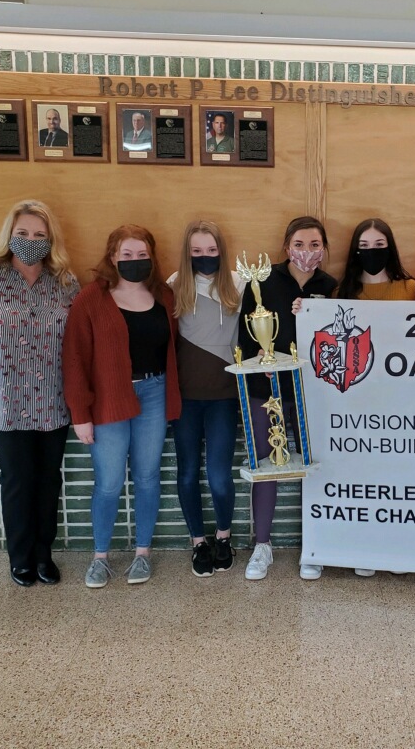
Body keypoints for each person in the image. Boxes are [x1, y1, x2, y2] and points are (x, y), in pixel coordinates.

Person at [0, 200, 79, 587]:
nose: (30, 240)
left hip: (54, 400)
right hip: (4, 402)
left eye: (39, 234)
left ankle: (44, 554)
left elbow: (80, 344)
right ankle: (20, 557)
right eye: (22, 233)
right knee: (18, 477)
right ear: (9, 235)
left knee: (48, 478)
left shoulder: (66, 283)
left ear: (50, 239)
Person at [63, 225, 182, 588]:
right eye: (126, 255)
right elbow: (74, 360)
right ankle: (100, 557)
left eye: (141, 254)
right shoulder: (91, 299)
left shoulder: (165, 295)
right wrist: (80, 416)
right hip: (108, 399)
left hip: (155, 393)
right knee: (110, 482)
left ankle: (142, 553)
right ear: (113, 257)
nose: (134, 260)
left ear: (151, 256)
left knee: (147, 477)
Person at [239, 216, 337, 581]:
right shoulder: (261, 280)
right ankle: (261, 546)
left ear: (324, 249)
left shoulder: (329, 284)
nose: (306, 252)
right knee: (266, 464)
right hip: (265, 388)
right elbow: (246, 332)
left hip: (311, 390)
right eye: (299, 244)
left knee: (313, 464)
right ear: (286, 247)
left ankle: (317, 544)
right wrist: (256, 367)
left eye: (314, 245)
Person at [336, 217, 415, 578]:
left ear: (391, 246)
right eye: (364, 246)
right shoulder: (343, 293)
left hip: (402, 400)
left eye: (379, 245)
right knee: (365, 477)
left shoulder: (411, 288)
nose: (371, 252)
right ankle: (366, 547)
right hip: (360, 402)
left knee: (400, 476)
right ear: (355, 251)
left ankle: (399, 546)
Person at [168, 220, 245, 577]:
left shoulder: (240, 284)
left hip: (224, 398)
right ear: (187, 253)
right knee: (187, 475)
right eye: (197, 251)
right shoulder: (173, 286)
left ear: (221, 250)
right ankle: (198, 542)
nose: (204, 257)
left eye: (211, 251)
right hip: (184, 400)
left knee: (218, 477)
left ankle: (223, 538)